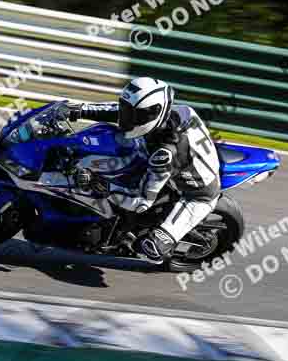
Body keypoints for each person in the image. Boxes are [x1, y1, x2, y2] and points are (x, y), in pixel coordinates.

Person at [65, 77, 221, 262]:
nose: (125, 118)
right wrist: (81, 110)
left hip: (197, 194)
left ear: (153, 113)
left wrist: (100, 184)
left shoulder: (164, 154)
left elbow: (141, 202)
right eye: (126, 110)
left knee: (152, 248)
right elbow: (119, 112)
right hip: (175, 160)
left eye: (133, 115)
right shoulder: (175, 112)